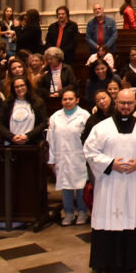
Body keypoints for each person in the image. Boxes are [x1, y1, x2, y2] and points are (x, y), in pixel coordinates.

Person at [83, 88, 136, 273]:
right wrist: (110, 164)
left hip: (135, 182)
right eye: (122, 103)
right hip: (110, 182)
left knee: (133, 218)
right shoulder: (101, 128)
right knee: (107, 220)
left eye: (129, 103)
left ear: (135, 104)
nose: (125, 107)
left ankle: (133, 262)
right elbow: (90, 152)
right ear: (115, 102)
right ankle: (103, 264)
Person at [48, 87, 90, 226]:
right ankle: (68, 213)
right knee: (65, 186)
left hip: (79, 156)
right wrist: (51, 159)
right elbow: (51, 140)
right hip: (62, 156)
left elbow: (89, 139)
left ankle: (82, 212)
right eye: (65, 99)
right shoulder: (55, 117)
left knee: (80, 186)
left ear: (77, 100)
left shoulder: (84, 115)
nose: (67, 101)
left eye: (70, 99)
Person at [0, 76, 47, 146]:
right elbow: (0, 124)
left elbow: (43, 123)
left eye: (22, 85)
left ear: (27, 86)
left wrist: (28, 136)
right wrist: (12, 137)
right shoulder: (7, 104)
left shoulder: (38, 102)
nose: (19, 88)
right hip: (11, 143)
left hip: (32, 143)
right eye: (16, 87)